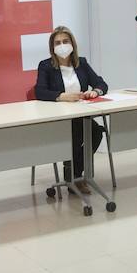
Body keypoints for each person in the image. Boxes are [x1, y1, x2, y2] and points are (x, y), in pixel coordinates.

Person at [34, 25, 108, 188]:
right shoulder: (45, 66)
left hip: (80, 114)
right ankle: (75, 178)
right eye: (57, 42)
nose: (62, 45)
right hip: (59, 118)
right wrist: (61, 96)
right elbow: (39, 91)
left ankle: (74, 174)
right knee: (75, 135)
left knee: (95, 133)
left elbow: (101, 83)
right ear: (52, 48)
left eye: (65, 41)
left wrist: (95, 91)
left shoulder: (81, 63)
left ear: (72, 44)